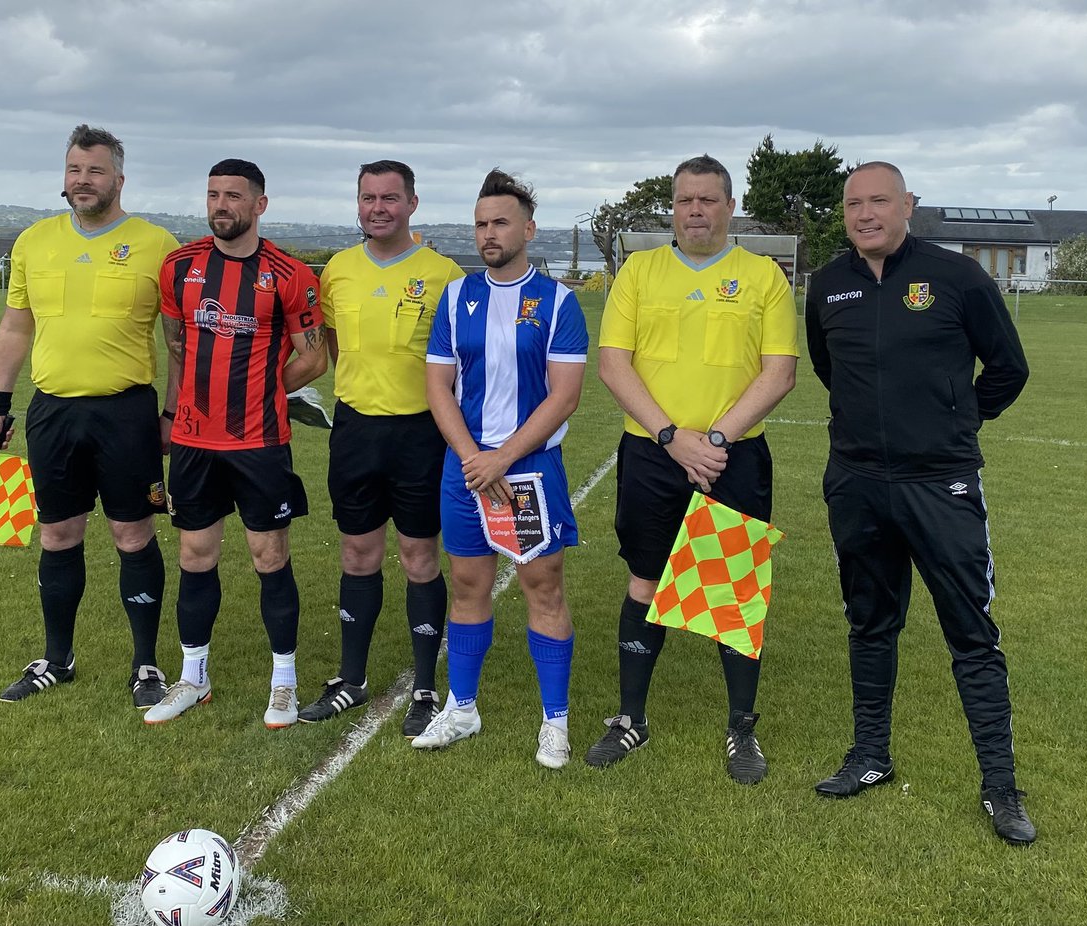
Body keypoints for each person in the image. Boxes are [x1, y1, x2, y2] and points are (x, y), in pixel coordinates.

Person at [805, 161, 1034, 844]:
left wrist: (953, 424)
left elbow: (1008, 368)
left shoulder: (958, 277)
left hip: (942, 485)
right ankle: (870, 757)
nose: (866, 213)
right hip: (856, 483)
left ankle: (1000, 788)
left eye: (879, 200)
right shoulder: (829, 284)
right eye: (854, 203)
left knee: (971, 635)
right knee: (870, 624)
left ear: (908, 204)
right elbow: (829, 369)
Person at [586, 155, 797, 782]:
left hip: (733, 455)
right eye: (684, 200)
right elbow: (614, 365)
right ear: (672, 208)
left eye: (707, 199)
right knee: (646, 581)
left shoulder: (762, 277)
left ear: (729, 207)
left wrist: (716, 440)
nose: (695, 210)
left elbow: (779, 370)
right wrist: (673, 437)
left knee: (731, 590)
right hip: (654, 453)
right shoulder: (640, 273)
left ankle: (741, 729)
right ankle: (631, 719)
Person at [0, 124, 180, 710]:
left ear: (119, 178)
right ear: (64, 177)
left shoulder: (157, 245)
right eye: (75, 169)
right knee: (58, 533)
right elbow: (17, 325)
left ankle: (145, 664)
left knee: (132, 533)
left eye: (95, 171)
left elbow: (177, 341)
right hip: (52, 413)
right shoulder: (34, 241)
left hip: (127, 414)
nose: (83, 180)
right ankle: (57, 658)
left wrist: (172, 412)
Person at [413, 169, 588, 769]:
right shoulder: (457, 296)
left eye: (500, 222)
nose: (489, 234)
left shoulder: (559, 301)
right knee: (467, 585)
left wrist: (502, 458)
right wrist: (471, 457)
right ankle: (463, 706)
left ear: (529, 229)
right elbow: (439, 385)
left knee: (543, 587)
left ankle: (555, 720)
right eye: (481, 224)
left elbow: (563, 397)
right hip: (466, 469)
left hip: (528, 470)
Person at [144, 159, 326, 729]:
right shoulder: (179, 267)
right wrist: (172, 413)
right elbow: (176, 347)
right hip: (195, 443)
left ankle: (284, 683)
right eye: (213, 195)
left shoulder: (290, 275)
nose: (221, 206)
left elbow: (314, 355)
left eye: (233, 197)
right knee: (195, 557)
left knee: (268, 557)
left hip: (260, 443)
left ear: (259, 205)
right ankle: (193, 677)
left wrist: (265, 390)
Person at [296, 161, 464, 737]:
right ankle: (352, 679)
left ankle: (423, 686)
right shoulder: (338, 270)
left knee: (419, 557)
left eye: (389, 198)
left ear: (412, 204)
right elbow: (333, 347)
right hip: (355, 431)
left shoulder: (442, 274)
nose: (377, 208)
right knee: (357, 554)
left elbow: (458, 361)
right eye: (368, 197)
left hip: (420, 434)